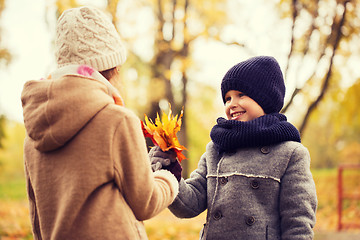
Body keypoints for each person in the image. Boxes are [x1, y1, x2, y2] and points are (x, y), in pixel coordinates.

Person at [21, 6, 179, 240]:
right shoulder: (118, 121)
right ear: (113, 69)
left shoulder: (32, 137)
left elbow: (37, 222)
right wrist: (167, 176)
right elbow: (146, 203)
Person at [149, 56, 318, 239]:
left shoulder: (290, 153)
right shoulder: (216, 149)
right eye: (227, 98)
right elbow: (190, 204)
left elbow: (298, 222)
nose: (231, 104)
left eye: (241, 95)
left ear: (265, 99)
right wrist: (169, 170)